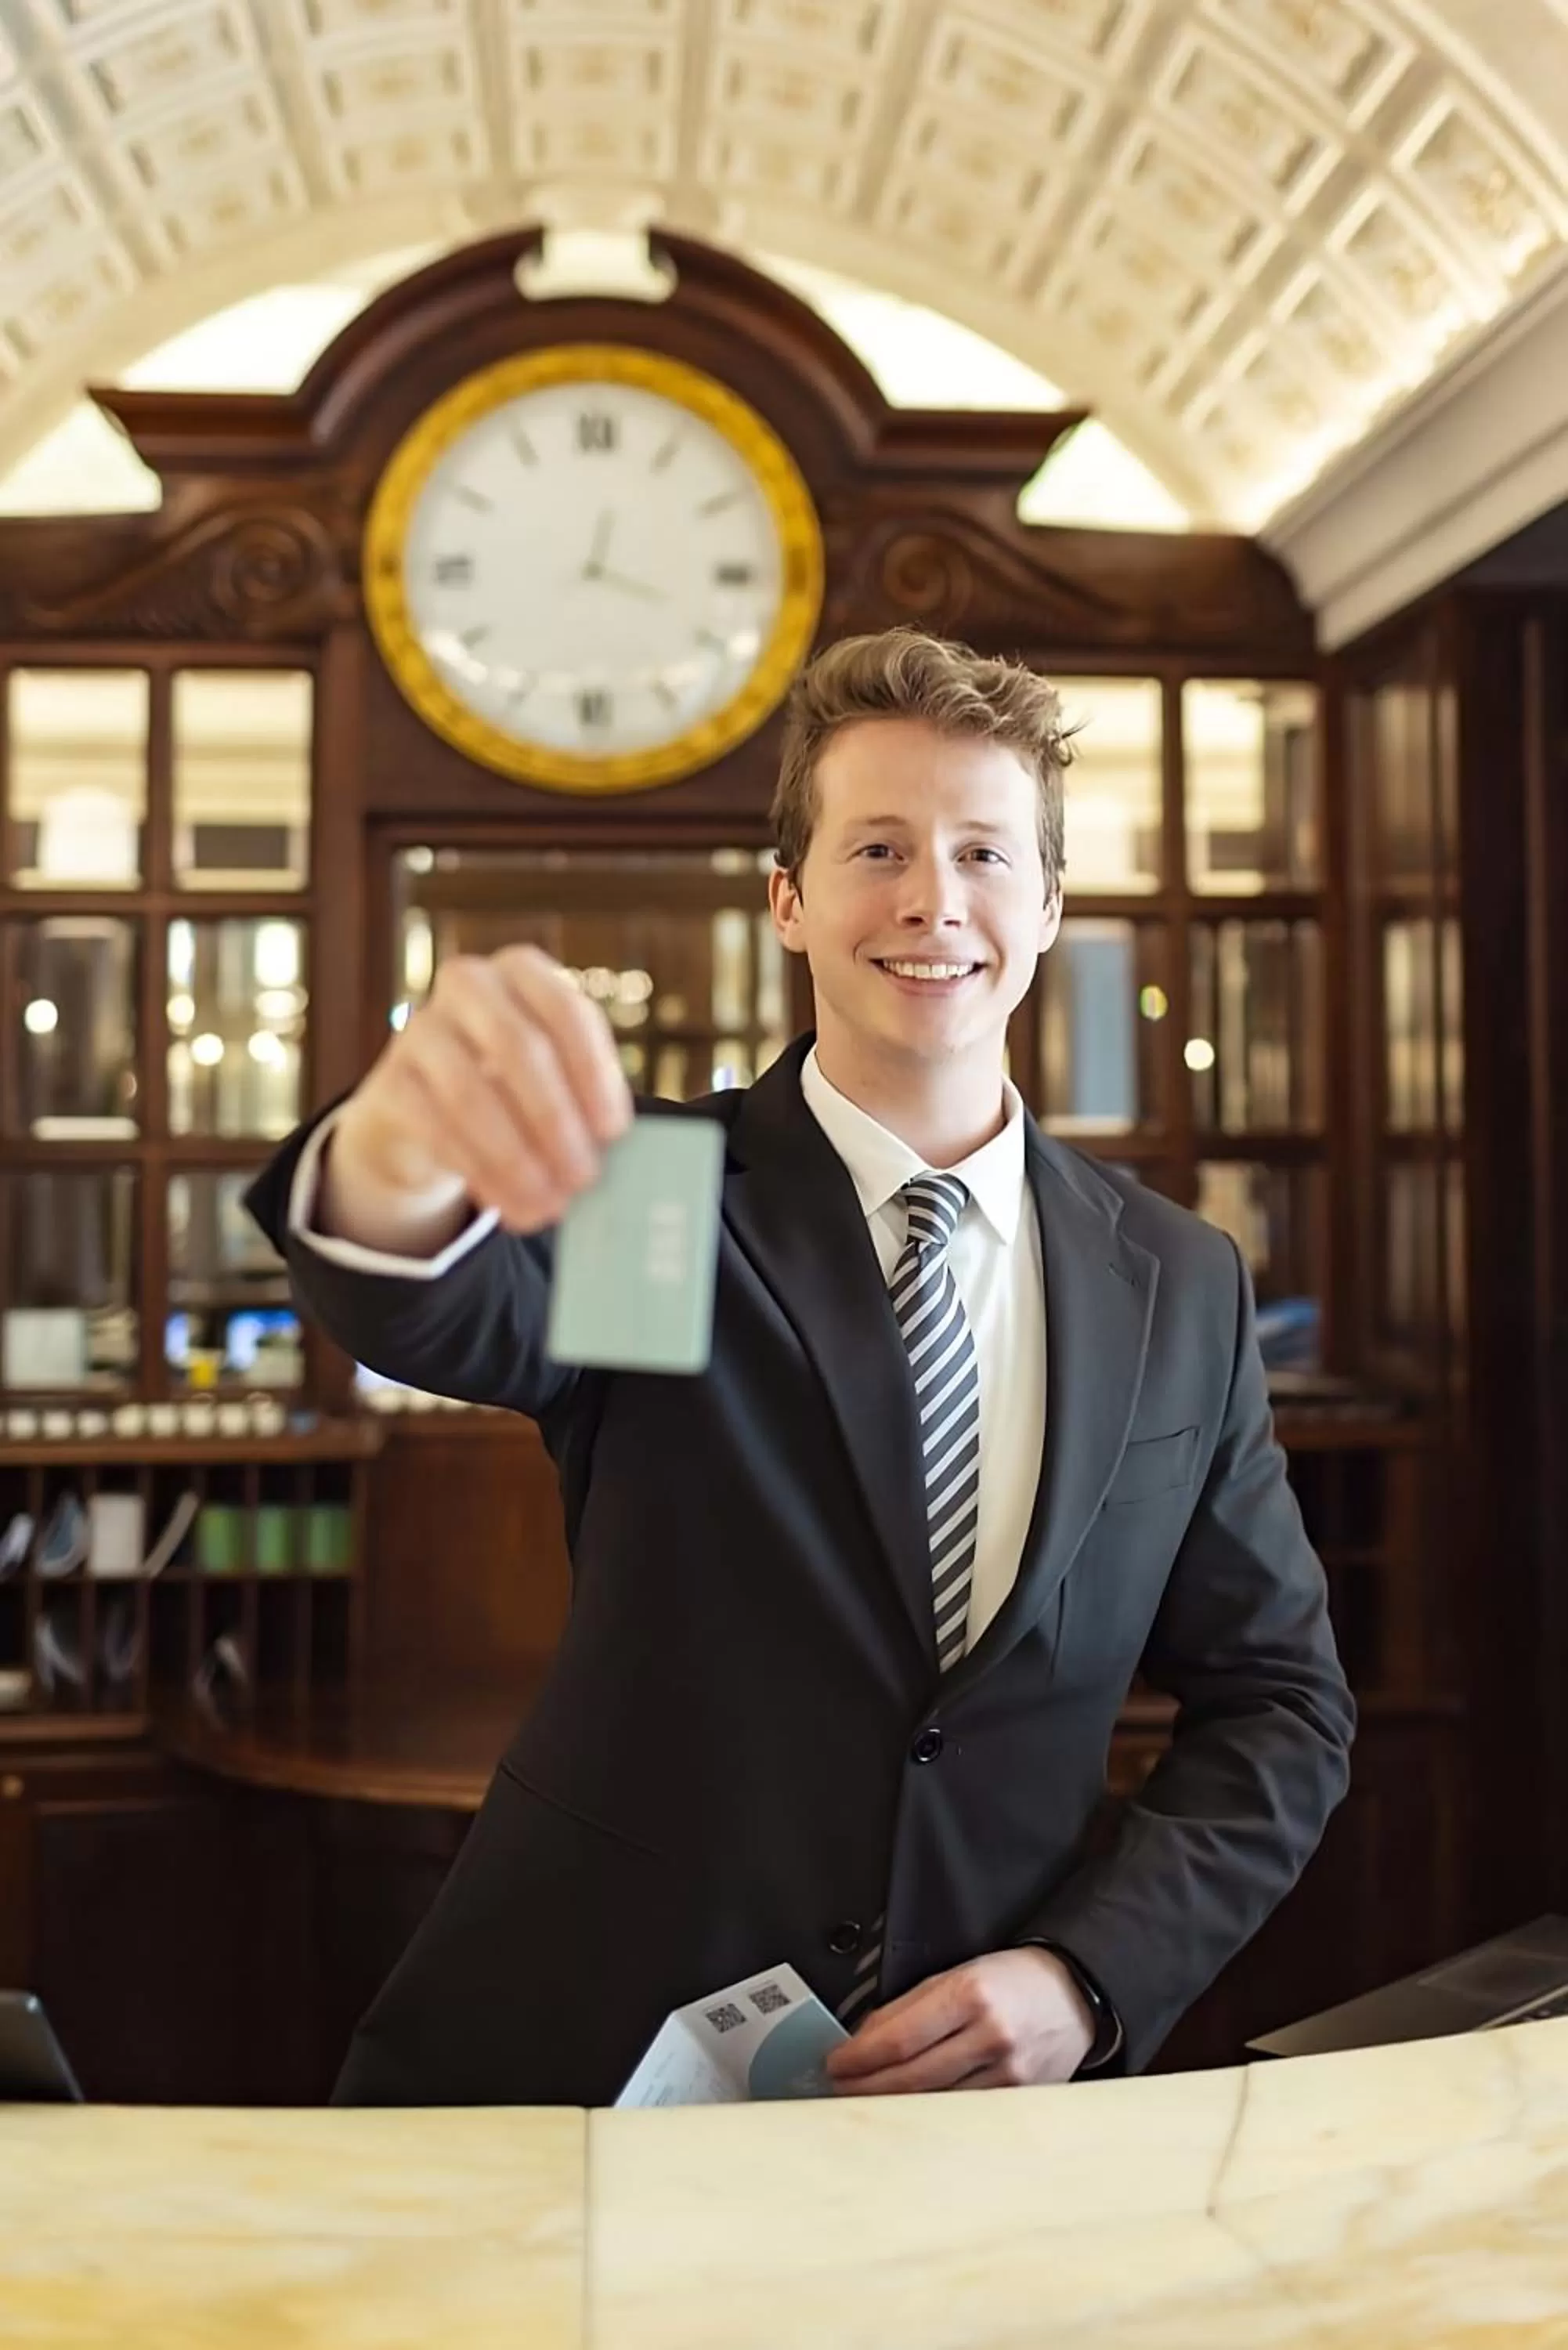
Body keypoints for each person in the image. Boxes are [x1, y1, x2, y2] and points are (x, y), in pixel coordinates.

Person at [245, 628, 1355, 2106]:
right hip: (596, 2056)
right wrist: (386, 1160)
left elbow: (1281, 1706)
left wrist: (1088, 1976)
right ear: (789, 899)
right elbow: (446, 1317)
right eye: (878, 847)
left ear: (1047, 905)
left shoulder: (1180, 1279)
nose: (932, 902)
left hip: (974, 2096)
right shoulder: (656, 1191)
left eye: (981, 854)